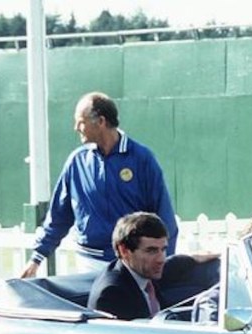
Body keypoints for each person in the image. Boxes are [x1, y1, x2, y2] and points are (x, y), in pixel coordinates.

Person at [21, 91, 177, 278]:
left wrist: (164, 263)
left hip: (132, 264)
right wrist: (36, 258)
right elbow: (58, 217)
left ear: (101, 121)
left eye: (80, 121)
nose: (76, 127)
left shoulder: (142, 159)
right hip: (88, 263)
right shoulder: (76, 162)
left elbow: (164, 216)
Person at [87, 212, 169, 320]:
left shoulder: (144, 272)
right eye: (151, 251)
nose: (161, 259)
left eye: (163, 249)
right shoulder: (112, 294)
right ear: (124, 250)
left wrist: (193, 259)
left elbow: (174, 265)